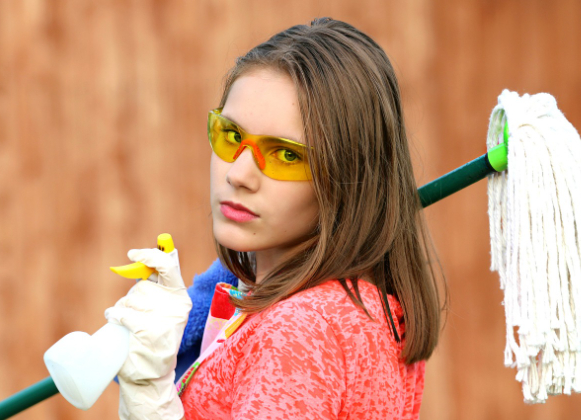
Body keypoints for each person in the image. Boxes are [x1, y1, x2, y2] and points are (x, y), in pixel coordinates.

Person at [105, 17, 445, 420]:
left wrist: (150, 406)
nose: (238, 174)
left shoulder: (301, 333)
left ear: (349, 178)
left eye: (286, 154)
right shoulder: (359, 309)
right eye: (232, 136)